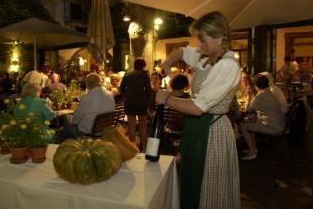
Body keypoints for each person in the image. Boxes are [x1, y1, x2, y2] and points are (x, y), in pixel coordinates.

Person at [156, 11, 241, 208]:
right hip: (197, 129)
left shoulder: (228, 65)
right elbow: (181, 51)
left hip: (212, 132)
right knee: (192, 179)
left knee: (208, 188)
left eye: (203, 40)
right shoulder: (206, 58)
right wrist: (169, 61)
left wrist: (166, 98)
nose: (199, 45)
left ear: (220, 38)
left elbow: (197, 108)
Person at [240, 74, 286, 160]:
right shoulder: (269, 92)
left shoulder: (261, 94)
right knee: (250, 121)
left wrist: (250, 95)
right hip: (279, 124)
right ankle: (253, 148)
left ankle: (252, 152)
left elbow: (249, 109)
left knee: (243, 127)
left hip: (273, 128)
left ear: (256, 85)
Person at [63, 73, 115, 139]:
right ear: (100, 82)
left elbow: (75, 120)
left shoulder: (86, 97)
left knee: (66, 117)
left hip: (88, 133)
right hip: (105, 130)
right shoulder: (110, 94)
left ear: (87, 84)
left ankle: (66, 144)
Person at [120, 58, 152, 151]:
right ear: (143, 65)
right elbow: (148, 89)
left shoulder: (127, 74)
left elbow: (122, 88)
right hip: (141, 103)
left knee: (131, 125)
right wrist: (146, 100)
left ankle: (132, 148)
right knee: (143, 126)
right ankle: (145, 149)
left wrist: (126, 97)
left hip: (129, 102)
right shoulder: (144, 75)